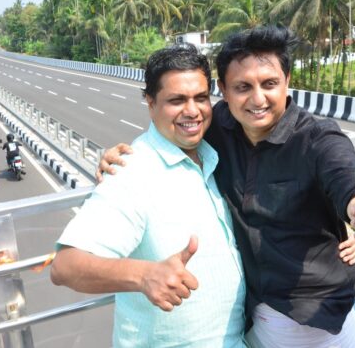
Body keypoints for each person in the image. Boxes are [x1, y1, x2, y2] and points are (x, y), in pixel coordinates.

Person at [99, 26, 355, 347]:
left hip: (310, 323)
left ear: (287, 81)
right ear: (223, 90)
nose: (257, 99)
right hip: (247, 318)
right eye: (243, 87)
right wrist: (124, 155)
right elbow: (174, 125)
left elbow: (347, 184)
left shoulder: (318, 141)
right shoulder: (220, 125)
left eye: (270, 83)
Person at [51, 44, 250, 347]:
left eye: (200, 98)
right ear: (150, 102)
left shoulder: (214, 152)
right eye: (176, 100)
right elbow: (66, 265)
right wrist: (144, 275)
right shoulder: (132, 174)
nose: (192, 111)